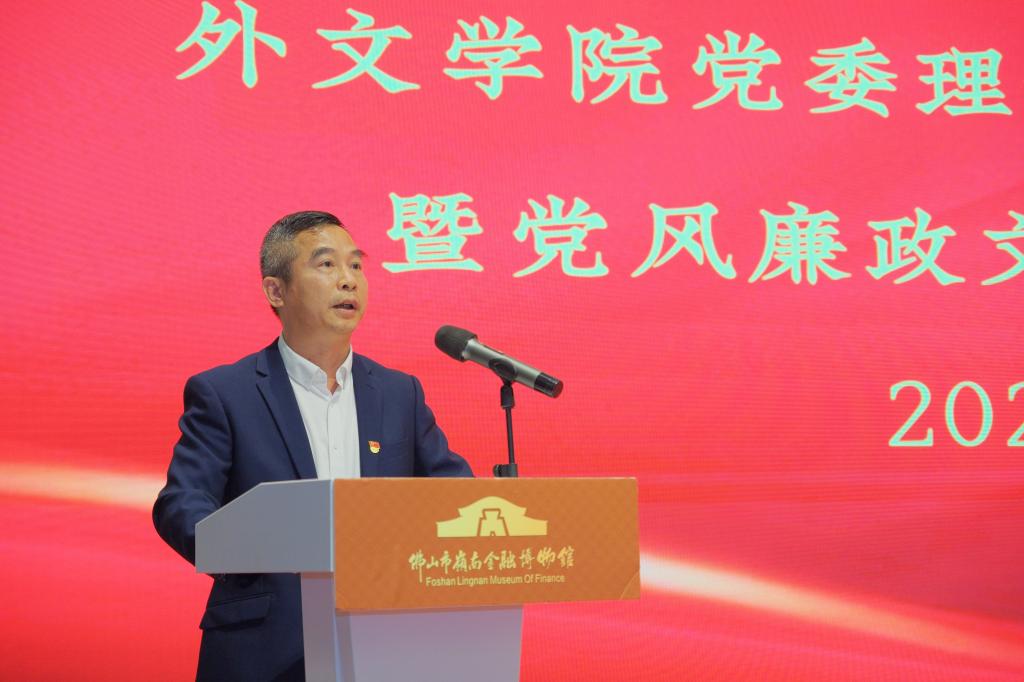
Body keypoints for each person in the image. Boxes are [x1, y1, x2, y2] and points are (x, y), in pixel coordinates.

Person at [153, 211, 472, 681]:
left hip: (385, 640)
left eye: (356, 265)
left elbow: (453, 494)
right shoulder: (225, 393)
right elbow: (181, 503)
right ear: (276, 291)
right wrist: (250, 546)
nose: (348, 280)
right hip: (266, 649)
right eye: (326, 265)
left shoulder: (398, 392)